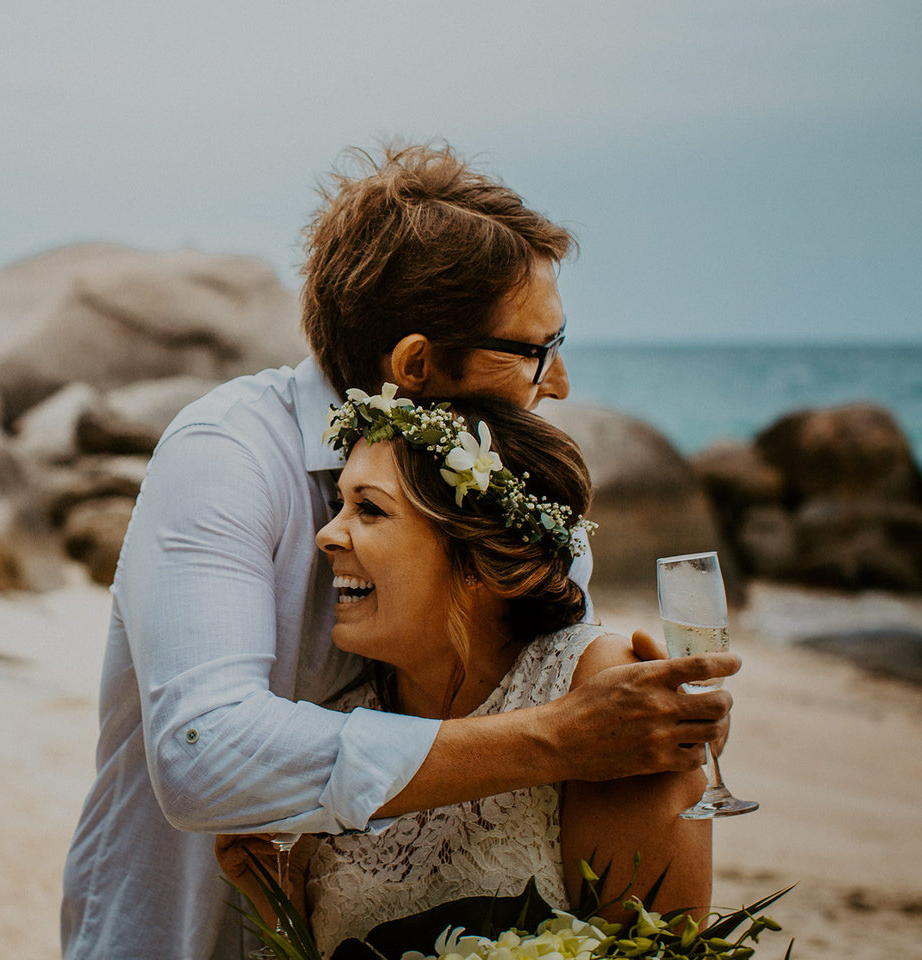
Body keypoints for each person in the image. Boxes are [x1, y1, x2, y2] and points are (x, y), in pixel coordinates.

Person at [61, 143, 735, 960]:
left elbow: (564, 714)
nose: (556, 384)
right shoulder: (228, 453)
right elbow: (202, 755)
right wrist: (560, 737)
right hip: (176, 938)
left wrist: (656, 718)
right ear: (417, 366)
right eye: (533, 350)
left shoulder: (524, 521)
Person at [220, 393, 710, 955]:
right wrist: (275, 898)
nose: (327, 534)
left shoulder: (602, 691)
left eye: (370, 509)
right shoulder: (336, 730)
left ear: (477, 558)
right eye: (339, 503)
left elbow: (668, 948)